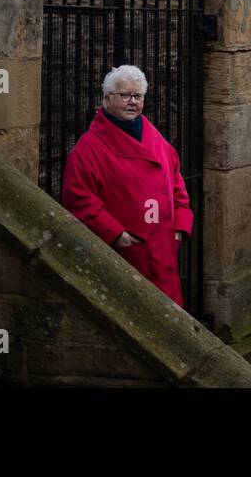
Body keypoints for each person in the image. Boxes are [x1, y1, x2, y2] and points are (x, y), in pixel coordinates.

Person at [61, 65, 193, 306]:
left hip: (163, 248)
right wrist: (115, 234)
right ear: (107, 99)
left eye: (138, 96)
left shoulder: (157, 140)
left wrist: (180, 226)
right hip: (128, 252)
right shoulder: (87, 149)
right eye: (125, 96)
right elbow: (78, 199)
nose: (132, 102)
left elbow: (177, 185)